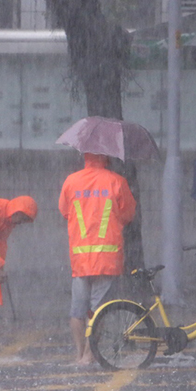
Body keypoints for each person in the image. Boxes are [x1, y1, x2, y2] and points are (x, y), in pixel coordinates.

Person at [59, 152, 136, 364]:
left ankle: (78, 353)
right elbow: (128, 214)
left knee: (77, 310)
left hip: (81, 258)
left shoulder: (71, 181)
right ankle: (90, 354)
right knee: (98, 311)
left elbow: (65, 211)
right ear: (107, 158)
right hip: (107, 257)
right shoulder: (117, 181)